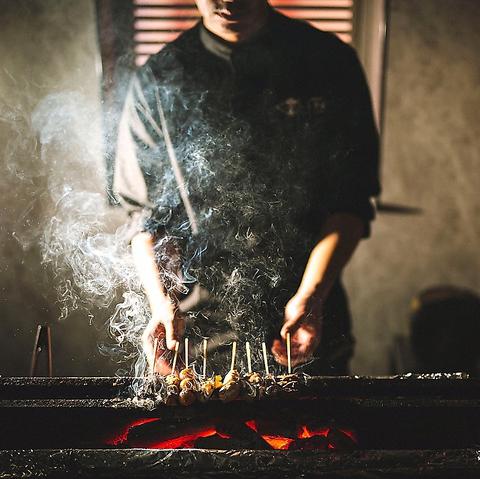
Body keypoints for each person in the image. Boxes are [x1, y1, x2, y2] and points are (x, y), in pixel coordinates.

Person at [114, 0, 380, 376]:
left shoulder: (329, 63)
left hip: (307, 320)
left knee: (313, 434)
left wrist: (310, 298)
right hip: (198, 330)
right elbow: (147, 219)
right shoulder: (158, 79)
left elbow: (350, 205)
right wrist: (162, 304)